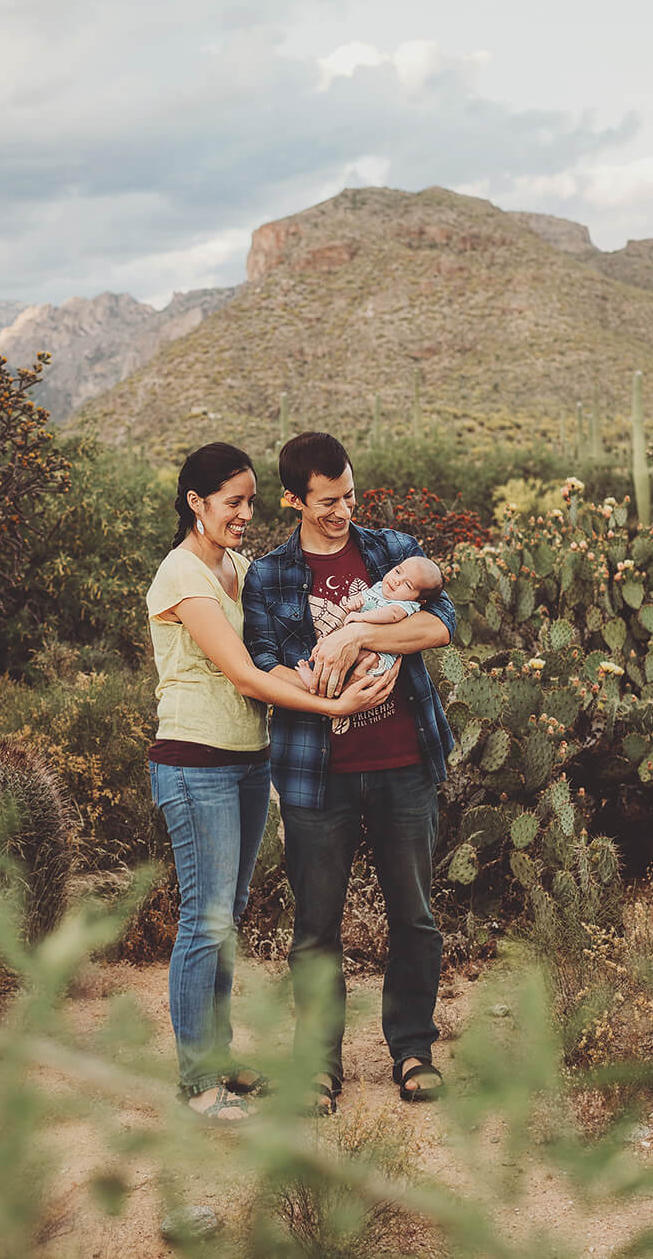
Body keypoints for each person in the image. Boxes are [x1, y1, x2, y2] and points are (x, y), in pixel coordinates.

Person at [146, 441, 398, 1125]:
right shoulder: (183, 576)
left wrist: (330, 668)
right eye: (232, 502)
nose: (244, 514)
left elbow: (276, 660)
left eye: (251, 501)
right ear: (196, 502)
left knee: (225, 915)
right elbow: (245, 675)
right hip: (195, 765)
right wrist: (335, 706)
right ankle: (198, 1082)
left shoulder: (240, 569)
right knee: (205, 920)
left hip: (248, 761)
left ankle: (220, 1055)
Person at [242, 432, 459, 1115]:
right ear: (294, 500)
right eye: (328, 502)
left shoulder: (393, 552)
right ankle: (317, 1064)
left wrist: (354, 634)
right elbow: (265, 664)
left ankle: (414, 1048)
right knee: (316, 925)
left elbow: (437, 628)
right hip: (317, 775)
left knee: (414, 915)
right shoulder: (271, 575)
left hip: (402, 765)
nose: (342, 511)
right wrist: (327, 688)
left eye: (350, 497)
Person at [295, 555, 443, 691]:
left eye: (408, 585)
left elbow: (391, 615)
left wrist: (362, 617)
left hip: (378, 655)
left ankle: (326, 689)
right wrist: (355, 602)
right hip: (356, 641)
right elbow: (364, 598)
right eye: (398, 571)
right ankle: (317, 676)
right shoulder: (379, 587)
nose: (397, 580)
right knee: (330, 648)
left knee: (355, 660)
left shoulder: (406, 605)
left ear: (419, 600)